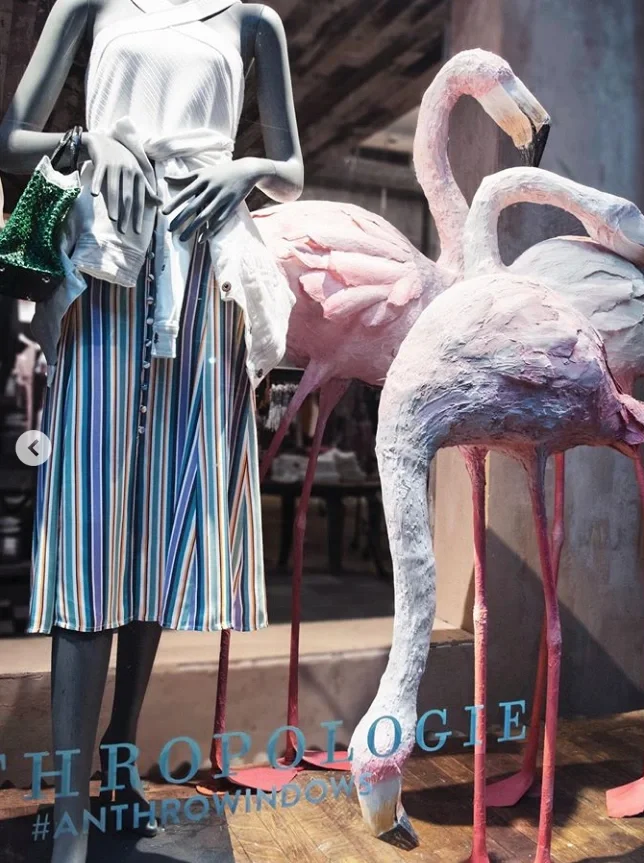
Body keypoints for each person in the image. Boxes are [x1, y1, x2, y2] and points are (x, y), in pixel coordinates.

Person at [0, 2, 303, 861]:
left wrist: (243, 169)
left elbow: (292, 168)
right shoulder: (89, 3)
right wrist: (90, 142)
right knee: (94, 519)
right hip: (109, 261)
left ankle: (121, 763)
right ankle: (66, 811)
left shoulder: (253, 20)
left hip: (207, 276)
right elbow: (7, 136)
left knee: (162, 526)